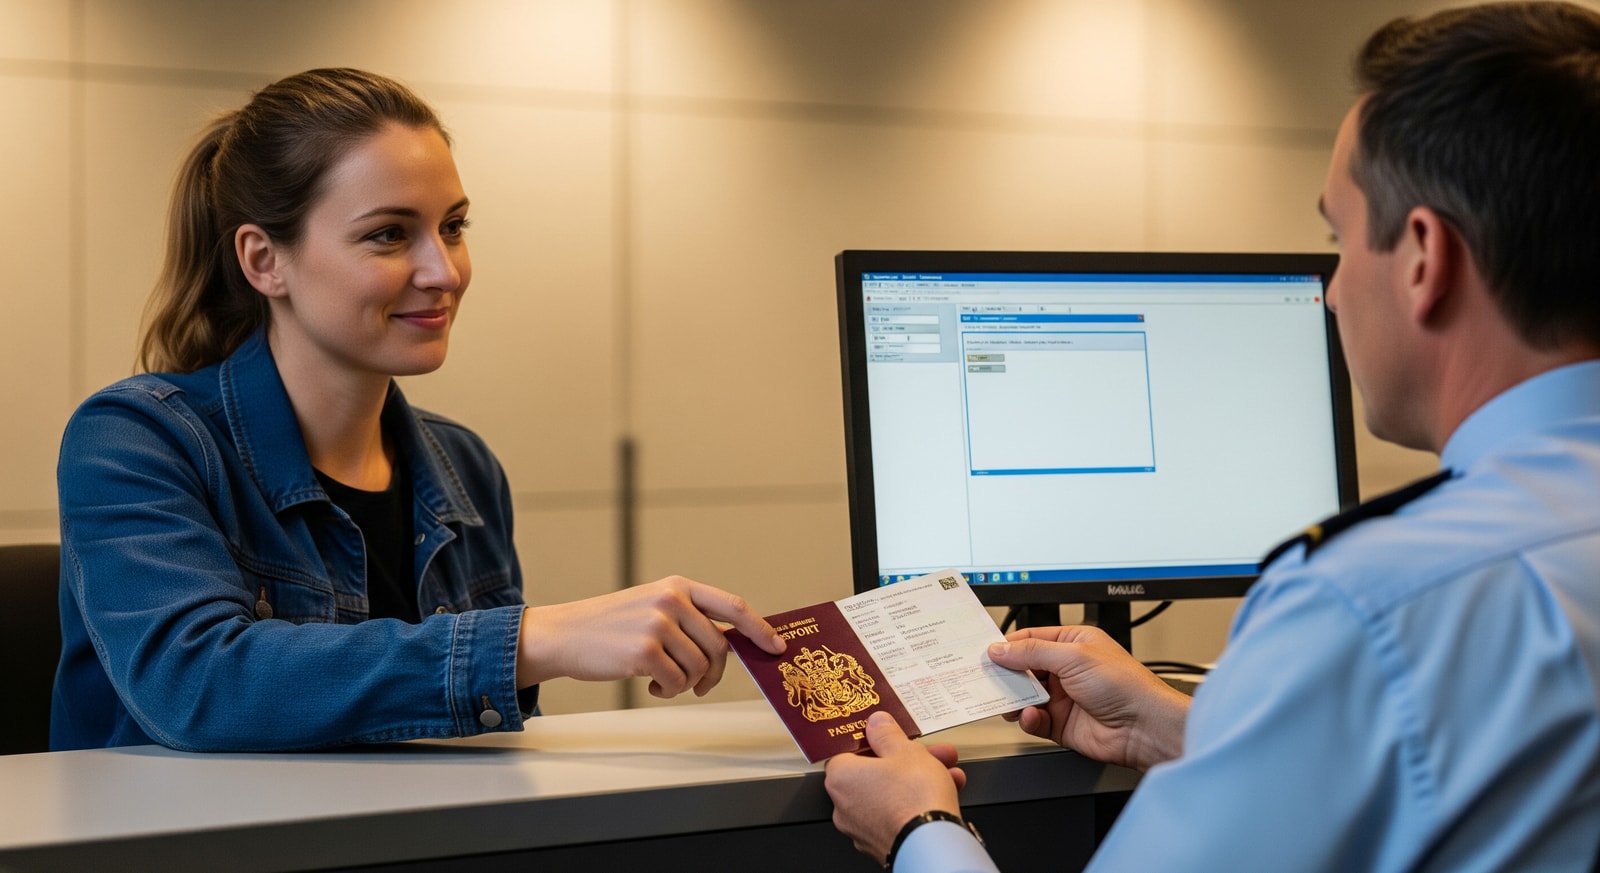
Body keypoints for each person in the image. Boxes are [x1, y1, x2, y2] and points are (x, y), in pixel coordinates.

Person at [825, 2, 1600, 870]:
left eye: (1338, 240)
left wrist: (918, 829)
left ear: (1424, 258)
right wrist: (1190, 732)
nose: (1334, 292)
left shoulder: (1371, 605)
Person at [52, 68, 784, 752]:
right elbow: (198, 682)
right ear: (263, 260)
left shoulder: (463, 466)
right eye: (390, 234)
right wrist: (534, 638)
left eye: (454, 226)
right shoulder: (136, 438)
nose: (445, 271)